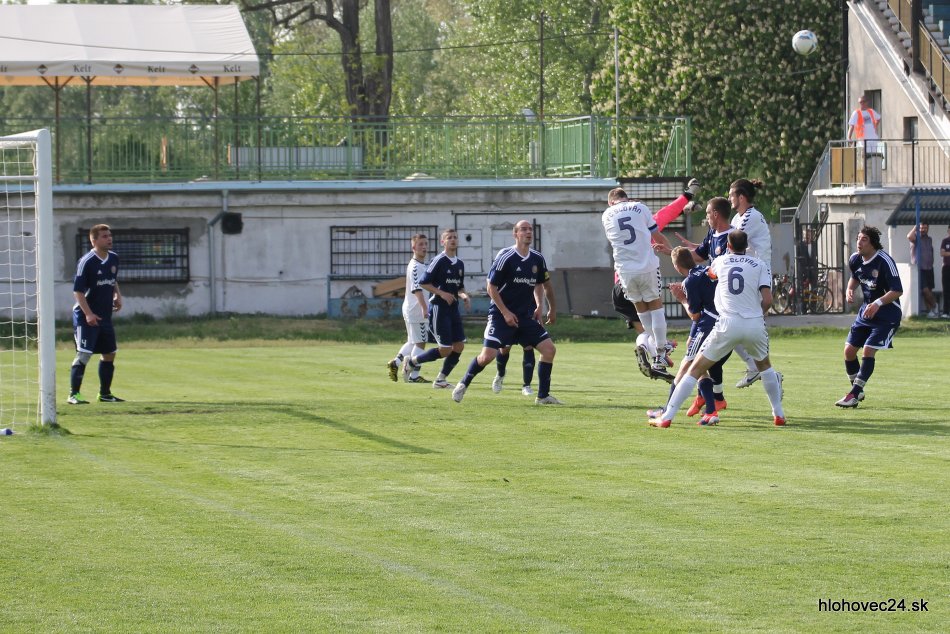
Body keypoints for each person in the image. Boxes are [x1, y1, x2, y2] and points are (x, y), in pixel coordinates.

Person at [649, 230, 786, 428]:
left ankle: (667, 416)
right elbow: (767, 300)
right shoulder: (760, 265)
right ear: (746, 246)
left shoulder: (720, 261)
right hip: (754, 323)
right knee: (765, 367)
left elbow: (709, 277)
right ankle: (778, 414)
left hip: (727, 323)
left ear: (728, 246)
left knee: (695, 369)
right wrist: (757, 315)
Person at [451, 220, 560, 405]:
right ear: (515, 234)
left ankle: (543, 396)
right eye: (523, 229)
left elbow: (543, 285)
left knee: (549, 350)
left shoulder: (537, 258)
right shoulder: (506, 256)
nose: (528, 232)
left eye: (530, 229)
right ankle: (463, 383)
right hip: (500, 316)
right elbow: (490, 287)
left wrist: (545, 307)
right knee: (487, 357)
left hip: (525, 316)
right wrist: (506, 312)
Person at [647, 246, 730, 426]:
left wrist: (681, 298)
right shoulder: (706, 269)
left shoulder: (689, 281)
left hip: (708, 325)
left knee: (686, 366)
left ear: (676, 266)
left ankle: (667, 411)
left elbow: (695, 315)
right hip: (724, 321)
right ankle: (710, 410)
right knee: (700, 367)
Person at [602, 187, 674, 375]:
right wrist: (672, 251)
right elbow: (656, 235)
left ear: (610, 202)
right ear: (626, 198)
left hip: (625, 271)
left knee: (641, 310)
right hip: (646, 266)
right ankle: (660, 353)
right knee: (656, 306)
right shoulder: (640, 207)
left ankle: (655, 346)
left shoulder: (606, 215)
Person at [836, 226, 903, 408]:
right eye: (858, 238)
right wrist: (850, 289)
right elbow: (855, 276)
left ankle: (853, 394)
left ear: (873, 243)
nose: (859, 242)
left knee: (868, 350)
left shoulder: (885, 261)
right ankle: (857, 391)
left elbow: (897, 290)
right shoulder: (855, 259)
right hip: (866, 313)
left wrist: (878, 303)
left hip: (887, 315)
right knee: (849, 352)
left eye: (864, 239)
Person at [403, 228, 471, 387]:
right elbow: (423, 282)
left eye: (455, 237)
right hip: (439, 309)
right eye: (449, 238)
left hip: (453, 309)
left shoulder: (459, 264)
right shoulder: (438, 260)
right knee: (446, 349)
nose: (453, 240)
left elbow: (459, 287)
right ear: (443, 242)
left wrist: (464, 295)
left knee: (459, 346)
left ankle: (440, 380)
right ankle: (412, 362)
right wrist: (441, 293)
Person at [728, 178, 778, 389]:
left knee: (738, 326)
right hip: (748, 276)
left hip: (757, 277)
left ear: (741, 197)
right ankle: (765, 373)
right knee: (737, 326)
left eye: (731, 195)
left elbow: (729, 242)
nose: (729, 198)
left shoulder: (750, 217)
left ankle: (762, 371)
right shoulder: (739, 217)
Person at [68, 224, 125, 404]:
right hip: (86, 317)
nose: (109, 239)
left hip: (105, 316)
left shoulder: (114, 258)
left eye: (110, 235)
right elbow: (78, 291)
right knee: (84, 354)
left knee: (109, 353)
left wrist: (117, 295)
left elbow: (113, 280)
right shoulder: (87, 261)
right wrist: (88, 314)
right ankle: (74, 395)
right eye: (104, 236)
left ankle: (104, 394)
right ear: (93, 240)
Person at [387, 233, 430, 383]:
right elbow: (417, 289)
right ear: (413, 247)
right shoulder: (416, 266)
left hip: (410, 308)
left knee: (412, 341)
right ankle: (413, 376)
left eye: (425, 244)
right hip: (416, 309)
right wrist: (424, 308)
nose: (424, 247)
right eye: (420, 244)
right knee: (421, 342)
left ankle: (396, 363)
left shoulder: (420, 264)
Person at [907, 223, 938, 318]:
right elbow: (909, 236)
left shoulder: (929, 239)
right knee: (925, 290)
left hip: (929, 268)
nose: (923, 229)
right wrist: (915, 227)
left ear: (928, 228)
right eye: (921, 228)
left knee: (929, 290)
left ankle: (930, 312)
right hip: (920, 269)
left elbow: (930, 251)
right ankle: (935, 305)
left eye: (925, 228)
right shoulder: (915, 238)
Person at [941, 225, 950, 318]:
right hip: (946, 268)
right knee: (946, 290)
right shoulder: (945, 241)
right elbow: (942, 253)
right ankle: (945, 312)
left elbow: (946, 253)